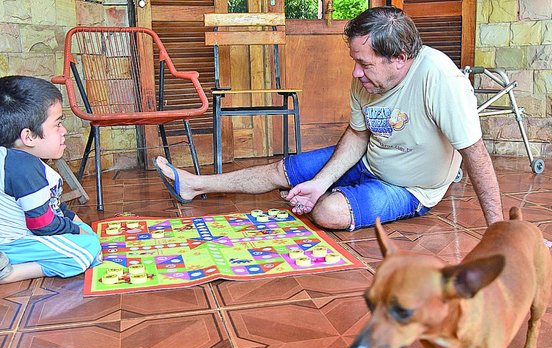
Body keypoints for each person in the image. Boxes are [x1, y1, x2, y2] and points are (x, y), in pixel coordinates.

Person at [154, 6, 503, 231]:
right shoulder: (367, 80)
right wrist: (320, 182)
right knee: (283, 171)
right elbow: (357, 136)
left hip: (411, 188)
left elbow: (476, 155)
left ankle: (337, 194)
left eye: (364, 63)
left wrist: (498, 231)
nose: (356, 72)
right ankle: (194, 185)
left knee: (328, 214)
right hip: (370, 161)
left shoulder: (440, 78)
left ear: (398, 58)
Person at [0, 76, 101, 287]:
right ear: (28, 137)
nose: (63, 131)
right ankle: (2, 273)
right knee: (89, 249)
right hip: (11, 243)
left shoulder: (15, 158)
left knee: (85, 233)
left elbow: (54, 207)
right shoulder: (22, 167)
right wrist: (78, 232)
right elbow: (43, 224)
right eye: (57, 124)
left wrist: (78, 223)